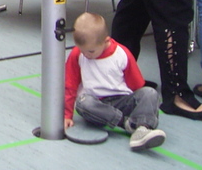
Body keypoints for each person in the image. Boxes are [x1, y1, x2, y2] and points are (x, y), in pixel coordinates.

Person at [64, 13, 165, 151]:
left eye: (91, 51)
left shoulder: (122, 54)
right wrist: (67, 115)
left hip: (122, 100)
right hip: (97, 105)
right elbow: (70, 85)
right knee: (83, 103)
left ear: (106, 41)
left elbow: (137, 85)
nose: (86, 54)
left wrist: (140, 104)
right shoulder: (77, 54)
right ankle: (129, 124)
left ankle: (143, 128)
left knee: (150, 93)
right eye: (82, 50)